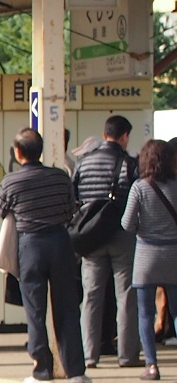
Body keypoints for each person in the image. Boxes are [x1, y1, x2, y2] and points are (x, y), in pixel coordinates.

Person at [0, 128, 89, 383]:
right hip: (60, 243)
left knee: (35, 311)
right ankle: (76, 372)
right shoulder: (60, 177)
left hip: (30, 246)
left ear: (17, 152)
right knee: (67, 308)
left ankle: (42, 371)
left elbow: (2, 210)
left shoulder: (11, 181)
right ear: (41, 150)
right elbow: (71, 209)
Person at [74, 115, 138, 368]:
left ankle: (89, 356)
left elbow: (74, 195)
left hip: (91, 237)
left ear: (104, 135)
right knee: (126, 296)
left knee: (91, 296)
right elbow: (135, 198)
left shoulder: (84, 162)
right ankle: (127, 356)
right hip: (122, 234)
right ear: (124, 136)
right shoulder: (129, 163)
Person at [121, 137, 177, 381]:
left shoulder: (139, 188)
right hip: (174, 254)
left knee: (145, 314)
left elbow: (127, 223)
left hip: (146, 257)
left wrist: (143, 230)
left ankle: (152, 366)